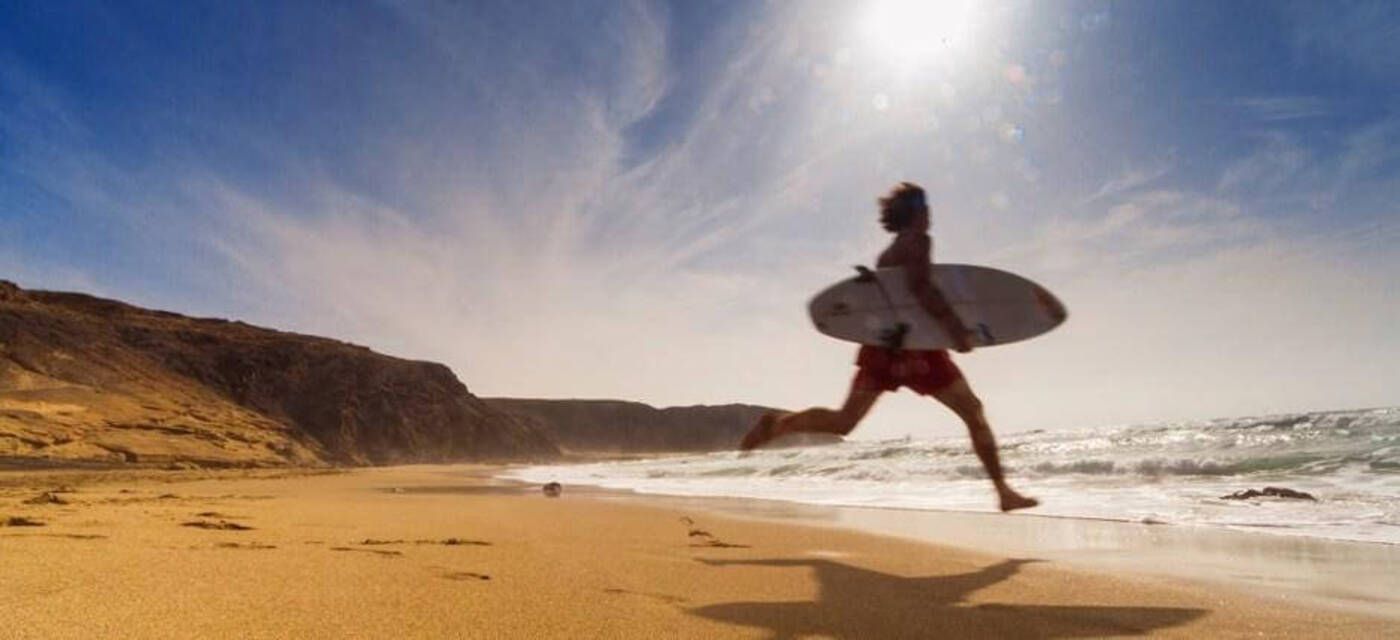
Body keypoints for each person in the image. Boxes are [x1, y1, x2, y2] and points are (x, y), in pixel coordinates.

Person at [739, 182, 1038, 512]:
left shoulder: (888, 253)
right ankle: (1003, 492)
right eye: (926, 208)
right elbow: (920, 287)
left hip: (883, 350)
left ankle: (780, 424)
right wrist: (954, 328)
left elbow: (889, 303)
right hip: (918, 352)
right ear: (917, 213)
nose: (930, 214)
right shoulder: (918, 241)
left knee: (844, 421)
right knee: (973, 412)